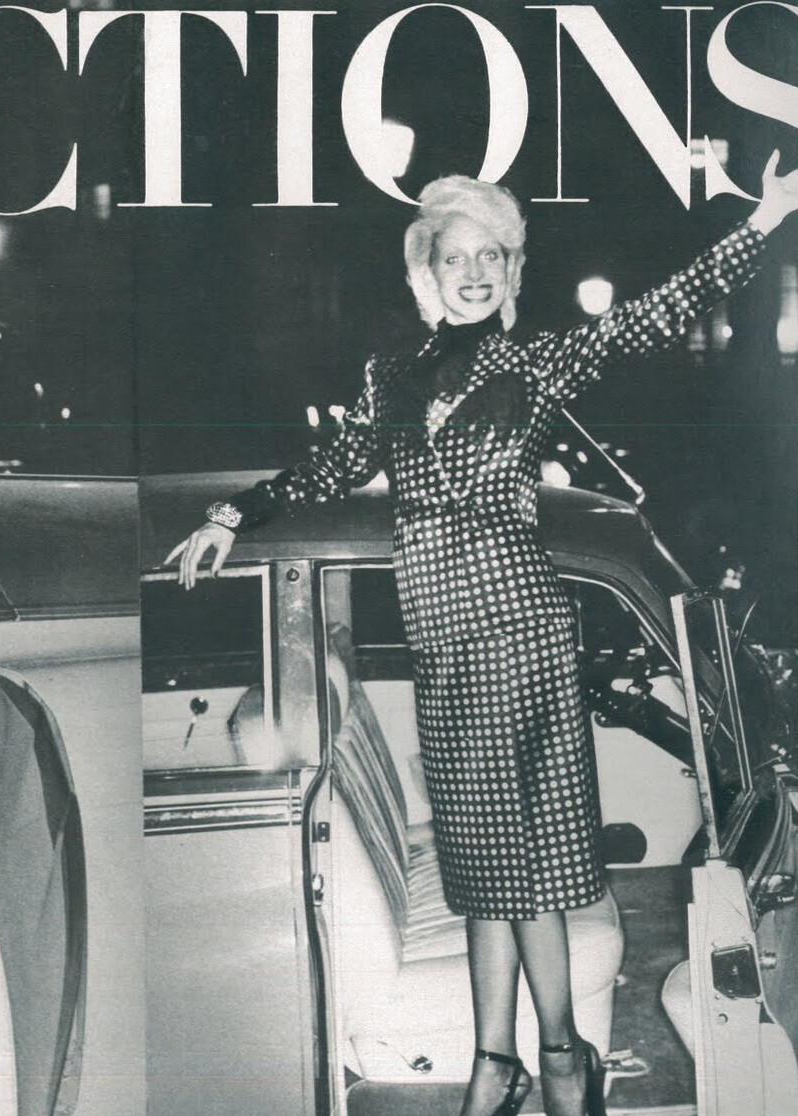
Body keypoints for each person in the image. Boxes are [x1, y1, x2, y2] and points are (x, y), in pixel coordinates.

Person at [166, 153, 798, 1116]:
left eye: (492, 257)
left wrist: (762, 223)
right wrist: (230, 516)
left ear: (511, 273)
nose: (474, 272)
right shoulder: (391, 377)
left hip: (520, 641)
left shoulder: (535, 363)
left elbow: (651, 315)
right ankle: (505, 1060)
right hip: (443, 651)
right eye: (456, 257)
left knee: (523, 868)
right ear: (426, 271)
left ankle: (553, 1058)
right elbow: (332, 463)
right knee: (482, 872)